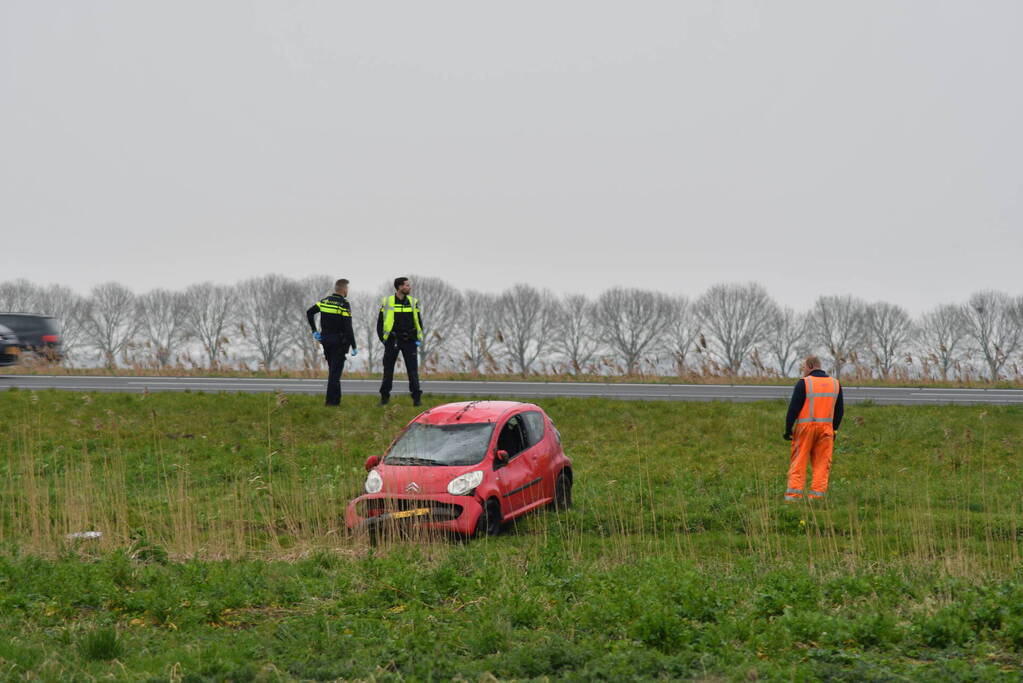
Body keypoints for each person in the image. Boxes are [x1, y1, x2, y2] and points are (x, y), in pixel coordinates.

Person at [782, 355, 844, 501]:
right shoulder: (835, 383)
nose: (802, 370)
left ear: (809, 366)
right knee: (822, 464)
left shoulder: (804, 383)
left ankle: (794, 496)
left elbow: (793, 409)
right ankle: (817, 498)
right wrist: (834, 429)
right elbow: (840, 410)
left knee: (799, 461)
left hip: (805, 428)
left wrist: (788, 429)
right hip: (826, 430)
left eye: (803, 367)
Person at [306, 279, 357, 406]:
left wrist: (314, 330)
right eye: (347, 289)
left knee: (333, 371)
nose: (347, 291)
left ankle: (337, 401)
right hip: (339, 342)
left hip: (326, 341)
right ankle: (330, 403)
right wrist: (354, 345)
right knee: (335, 374)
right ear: (344, 290)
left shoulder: (325, 301)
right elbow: (348, 326)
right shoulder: (343, 304)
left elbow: (309, 312)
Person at [377, 276, 424, 406]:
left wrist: (417, 338)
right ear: (399, 287)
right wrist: (384, 340)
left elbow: (418, 320)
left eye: (409, 285)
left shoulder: (413, 302)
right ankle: (384, 398)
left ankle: (417, 399)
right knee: (388, 370)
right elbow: (380, 323)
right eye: (407, 285)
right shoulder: (388, 301)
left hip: (409, 340)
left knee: (413, 371)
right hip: (393, 340)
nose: (409, 287)